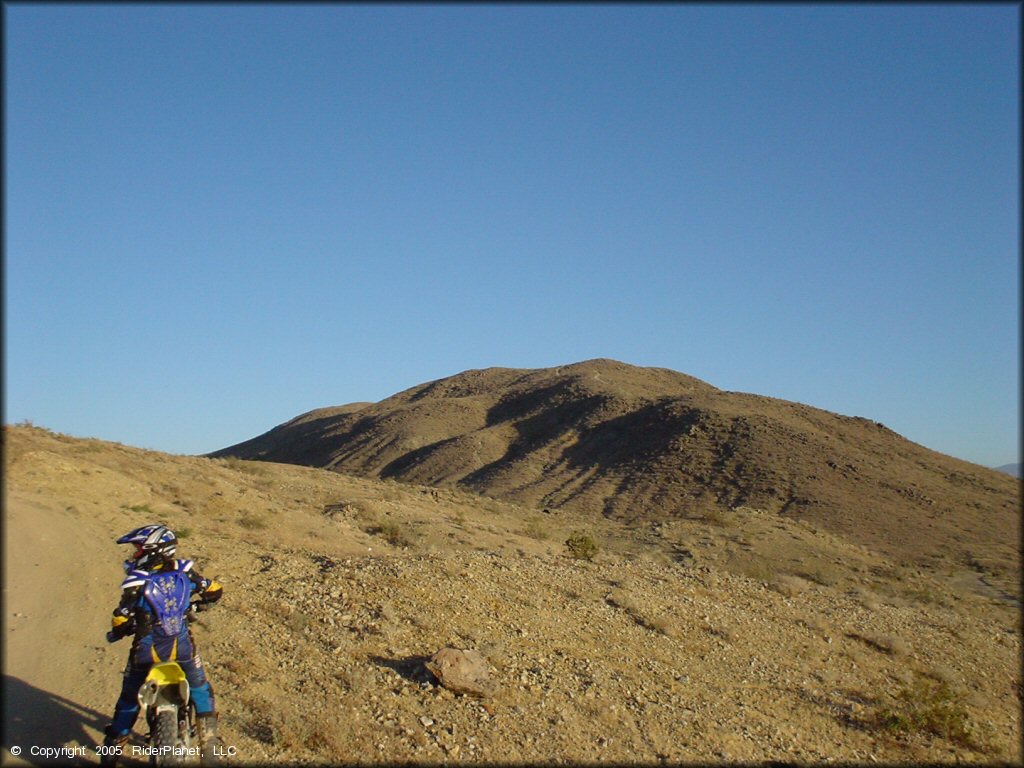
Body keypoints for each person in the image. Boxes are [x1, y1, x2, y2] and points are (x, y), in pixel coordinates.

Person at [101, 524, 224, 766]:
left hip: (146, 651)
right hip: (182, 648)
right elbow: (214, 590)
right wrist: (198, 606)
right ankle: (209, 748)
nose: (135, 554)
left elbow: (121, 616)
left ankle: (113, 750)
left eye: (138, 550)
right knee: (200, 688)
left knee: (129, 699)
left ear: (152, 552)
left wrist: (119, 630)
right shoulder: (186, 574)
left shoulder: (136, 583)